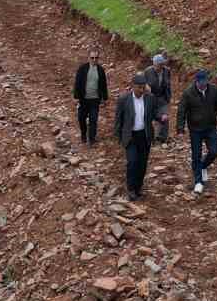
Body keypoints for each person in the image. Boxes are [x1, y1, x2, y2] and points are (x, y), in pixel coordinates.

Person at [176, 69, 217, 195]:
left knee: (214, 151)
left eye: (205, 81)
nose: (203, 84)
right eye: (201, 82)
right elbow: (182, 110)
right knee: (196, 155)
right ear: (196, 81)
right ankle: (198, 182)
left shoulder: (214, 90)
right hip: (195, 129)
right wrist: (180, 128)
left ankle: (203, 166)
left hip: (210, 127)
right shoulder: (188, 93)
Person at [114, 73, 158, 201]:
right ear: (132, 86)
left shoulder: (150, 98)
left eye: (143, 87)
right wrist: (118, 136)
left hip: (144, 136)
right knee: (132, 162)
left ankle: (138, 188)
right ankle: (131, 189)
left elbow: (154, 114)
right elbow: (118, 118)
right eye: (139, 87)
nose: (141, 90)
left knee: (142, 164)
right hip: (130, 136)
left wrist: (161, 117)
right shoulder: (124, 99)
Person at [72, 49, 108, 146]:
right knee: (81, 118)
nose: (94, 60)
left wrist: (104, 98)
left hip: (95, 100)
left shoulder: (100, 70)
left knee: (93, 119)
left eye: (96, 58)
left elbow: (103, 85)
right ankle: (83, 134)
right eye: (92, 58)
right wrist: (76, 97)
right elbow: (77, 83)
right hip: (83, 99)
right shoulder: (82, 68)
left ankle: (92, 139)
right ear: (88, 58)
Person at [143, 52, 172, 144]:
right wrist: (146, 87)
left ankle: (161, 138)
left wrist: (168, 97)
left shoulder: (166, 71)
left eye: (162, 64)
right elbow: (141, 83)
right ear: (154, 64)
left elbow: (168, 84)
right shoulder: (147, 71)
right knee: (148, 118)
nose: (160, 67)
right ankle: (149, 138)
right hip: (150, 98)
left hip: (162, 98)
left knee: (164, 118)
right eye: (158, 65)